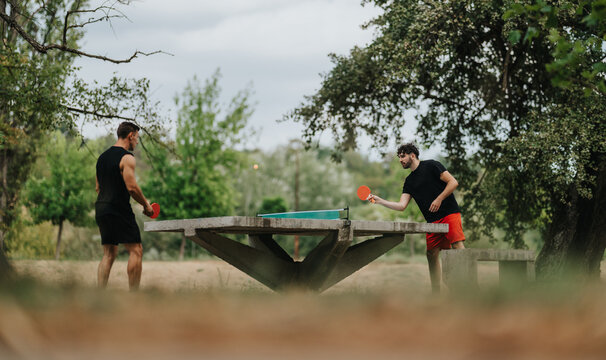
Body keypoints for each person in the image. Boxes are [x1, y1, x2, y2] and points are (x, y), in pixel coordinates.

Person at [369, 143, 465, 293]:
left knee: (457, 246)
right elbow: (402, 206)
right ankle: (436, 293)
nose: (400, 160)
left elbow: (453, 182)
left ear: (412, 155)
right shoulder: (409, 181)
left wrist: (439, 199)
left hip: (449, 213)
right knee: (431, 254)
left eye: (403, 156)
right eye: (399, 157)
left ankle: (468, 284)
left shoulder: (432, 165)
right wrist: (379, 200)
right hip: (432, 221)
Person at [95, 121, 154, 291]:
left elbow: (98, 188)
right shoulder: (127, 157)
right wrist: (146, 205)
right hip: (118, 208)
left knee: (108, 254)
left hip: (101, 208)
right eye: (137, 138)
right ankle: (134, 297)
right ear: (131, 135)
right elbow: (132, 188)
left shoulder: (102, 158)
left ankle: (99, 295)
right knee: (136, 250)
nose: (137, 142)